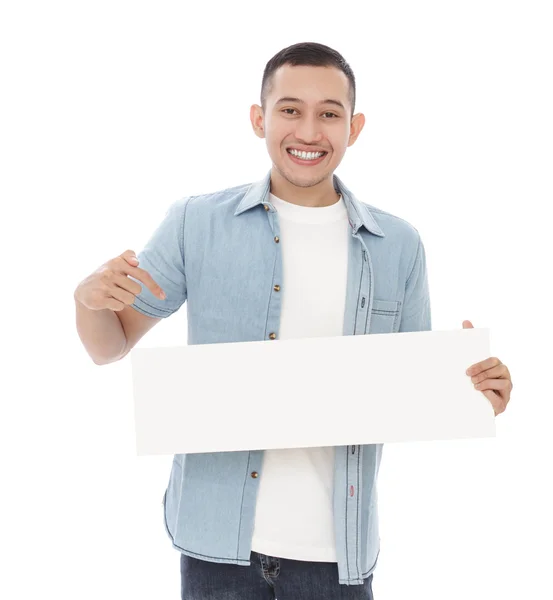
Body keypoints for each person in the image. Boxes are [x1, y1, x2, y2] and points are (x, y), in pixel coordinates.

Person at [74, 41, 513, 600]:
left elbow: (414, 391)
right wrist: (88, 303)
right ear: (259, 119)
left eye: (329, 113)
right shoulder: (195, 223)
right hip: (216, 546)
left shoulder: (398, 244)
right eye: (290, 109)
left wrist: (478, 388)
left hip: (336, 554)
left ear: (353, 128)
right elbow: (108, 347)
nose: (309, 131)